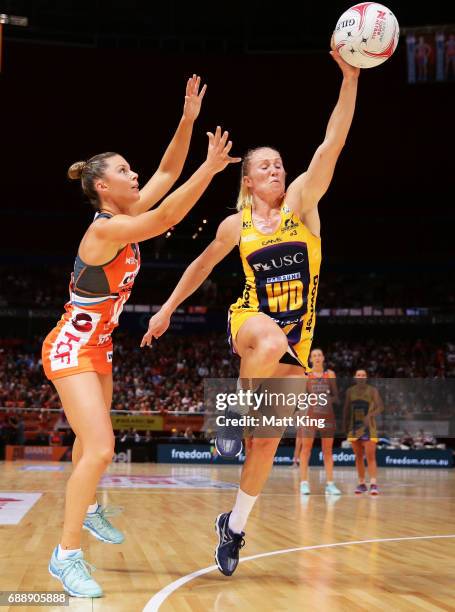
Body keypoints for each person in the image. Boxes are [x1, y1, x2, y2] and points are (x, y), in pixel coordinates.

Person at [142, 47, 360, 576]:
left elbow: (332, 143)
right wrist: (166, 309)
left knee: (264, 450)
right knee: (265, 339)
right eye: (265, 165)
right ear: (248, 181)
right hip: (250, 327)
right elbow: (197, 266)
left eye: (280, 164)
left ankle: (234, 526)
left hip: (297, 345)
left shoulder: (303, 205)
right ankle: (232, 412)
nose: (276, 170)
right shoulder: (234, 225)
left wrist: (350, 79)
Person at [42, 75, 241, 598]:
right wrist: (213, 169)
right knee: (102, 449)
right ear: (103, 186)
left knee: (91, 445)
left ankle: (86, 510)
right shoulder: (105, 229)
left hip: (98, 346)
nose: (136, 175)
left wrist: (189, 118)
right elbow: (171, 211)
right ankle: (65, 558)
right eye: (126, 171)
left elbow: (169, 170)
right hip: (70, 346)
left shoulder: (124, 212)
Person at [293, 348, 340, 495]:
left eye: (320, 355)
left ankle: (330, 484)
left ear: (323, 358)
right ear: (311, 359)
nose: (317, 357)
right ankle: (304, 483)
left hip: (327, 416)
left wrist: (327, 399)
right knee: (306, 449)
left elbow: (336, 397)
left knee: (327, 451)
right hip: (311, 416)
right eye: (314, 355)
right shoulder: (306, 375)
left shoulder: (330, 374)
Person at [344, 369, 384, 496]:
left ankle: (373, 484)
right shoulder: (350, 391)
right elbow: (346, 409)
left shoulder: (373, 391)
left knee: (370, 456)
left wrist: (370, 415)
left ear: (366, 378)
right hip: (354, 428)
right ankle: (361, 484)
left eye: (363, 375)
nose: (361, 377)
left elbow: (380, 407)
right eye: (358, 375)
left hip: (369, 428)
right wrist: (345, 426)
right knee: (358, 457)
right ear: (355, 378)